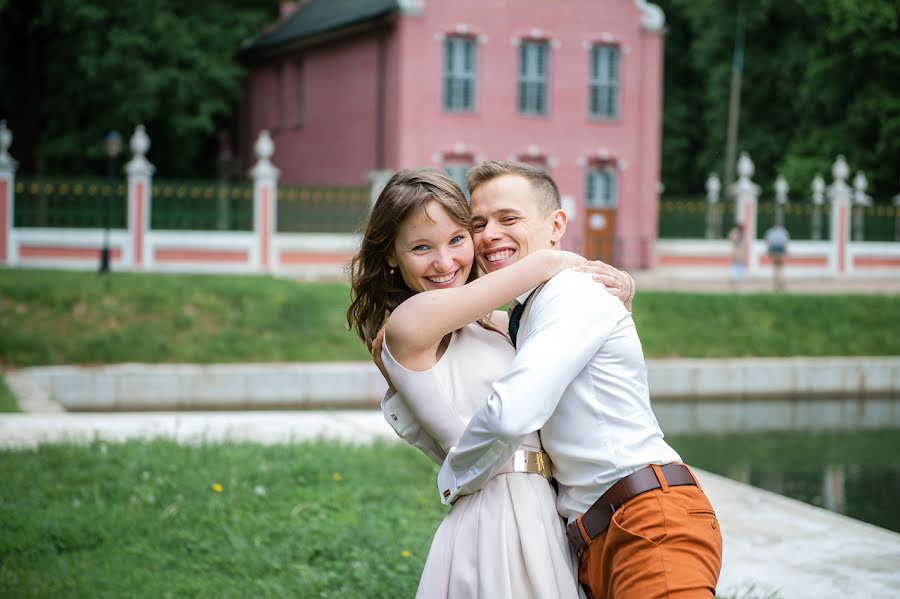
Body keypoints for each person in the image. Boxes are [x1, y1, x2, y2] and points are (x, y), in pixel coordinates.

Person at [438, 161, 723, 599]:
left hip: (649, 522)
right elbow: (469, 322)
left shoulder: (570, 292)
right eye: (478, 223)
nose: (488, 234)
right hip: (595, 539)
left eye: (508, 218)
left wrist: (455, 477)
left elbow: (511, 413)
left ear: (556, 226)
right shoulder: (527, 312)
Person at [347, 168, 635, 598]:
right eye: (421, 247)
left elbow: (564, 333)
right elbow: (533, 269)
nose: (445, 263)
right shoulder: (407, 324)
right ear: (392, 256)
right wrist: (562, 260)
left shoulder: (494, 326)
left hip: (544, 508)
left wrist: (620, 293)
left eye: (457, 240)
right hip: (496, 514)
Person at [764, 222, 789, 290]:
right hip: (780, 250)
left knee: (776, 268)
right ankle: (779, 284)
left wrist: (768, 251)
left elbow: (768, 242)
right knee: (779, 268)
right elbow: (785, 243)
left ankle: (776, 284)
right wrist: (786, 251)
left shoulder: (770, 232)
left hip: (774, 250)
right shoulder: (783, 232)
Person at [727, 223, 749, 287]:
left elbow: (730, 237)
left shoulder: (738, 235)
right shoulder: (742, 236)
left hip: (737, 254)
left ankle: (736, 280)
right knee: (739, 268)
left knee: (737, 267)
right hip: (739, 254)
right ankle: (738, 281)